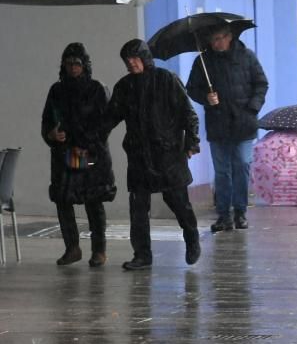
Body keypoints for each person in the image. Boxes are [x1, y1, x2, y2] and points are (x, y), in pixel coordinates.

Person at [105, 39, 201, 271]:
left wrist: (191, 141)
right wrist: (90, 137)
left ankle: (191, 238)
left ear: (145, 58)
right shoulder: (125, 87)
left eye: (134, 59)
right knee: (138, 206)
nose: (131, 64)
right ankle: (142, 254)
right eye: (127, 60)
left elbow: (188, 114)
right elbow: (109, 118)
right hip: (139, 155)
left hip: (168, 154)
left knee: (178, 202)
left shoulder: (167, 80)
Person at [186, 25, 268, 232]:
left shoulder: (246, 57)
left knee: (241, 165)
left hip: (244, 121)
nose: (217, 43)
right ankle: (224, 214)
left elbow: (261, 84)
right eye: (213, 40)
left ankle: (240, 211)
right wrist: (206, 97)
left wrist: (252, 108)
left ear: (230, 37)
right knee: (222, 171)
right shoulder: (203, 61)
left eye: (220, 38)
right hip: (218, 123)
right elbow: (191, 88)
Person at [41, 43, 117, 267]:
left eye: (77, 63)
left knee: (92, 199)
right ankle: (72, 248)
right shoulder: (57, 90)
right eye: (69, 63)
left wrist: (88, 143)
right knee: (63, 200)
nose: (73, 67)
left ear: (85, 65)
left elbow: (105, 123)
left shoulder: (96, 89)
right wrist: (52, 134)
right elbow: (47, 120)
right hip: (64, 152)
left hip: (88, 151)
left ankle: (99, 249)